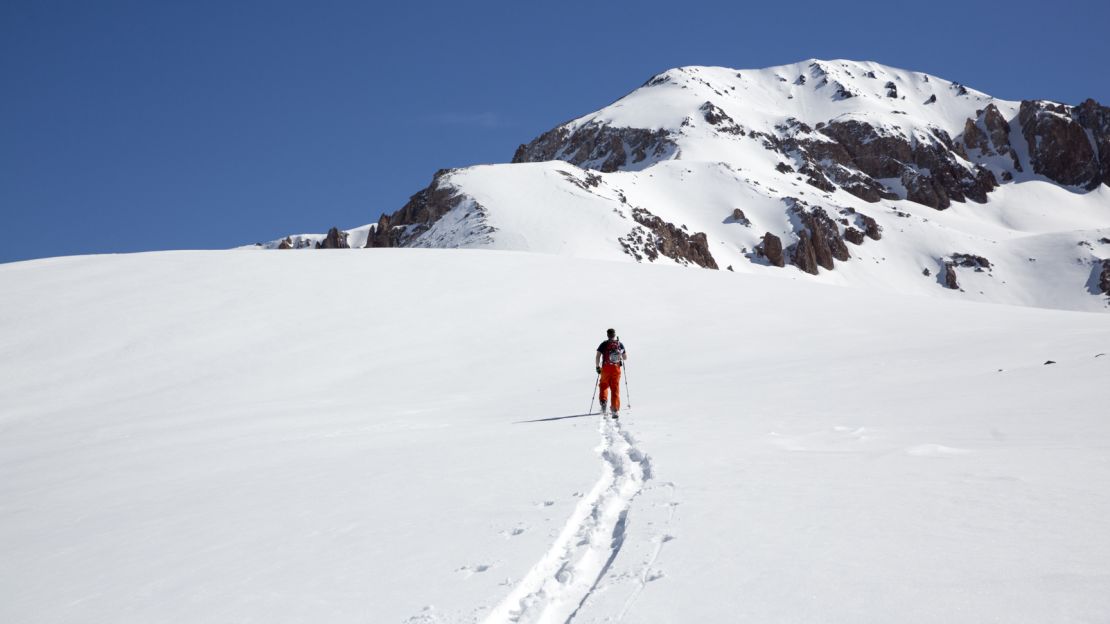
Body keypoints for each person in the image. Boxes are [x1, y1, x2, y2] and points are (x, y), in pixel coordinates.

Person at [595, 328, 627, 418]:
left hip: (605, 368)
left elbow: (597, 356)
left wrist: (597, 367)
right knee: (615, 388)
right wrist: (619, 355)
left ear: (607, 335)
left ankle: (603, 402)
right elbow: (625, 358)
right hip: (616, 369)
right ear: (614, 334)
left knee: (603, 385)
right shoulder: (619, 344)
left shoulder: (604, 344)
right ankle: (615, 409)